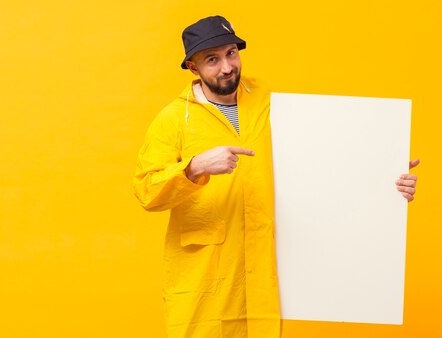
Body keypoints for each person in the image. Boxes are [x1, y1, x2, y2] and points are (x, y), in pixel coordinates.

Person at [133, 15, 419, 338]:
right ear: (192, 67)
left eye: (231, 53)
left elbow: (316, 158)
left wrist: (380, 173)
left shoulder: (267, 100)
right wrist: (194, 166)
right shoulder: (173, 119)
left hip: (263, 281)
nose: (227, 67)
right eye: (212, 59)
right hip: (204, 286)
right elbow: (146, 190)